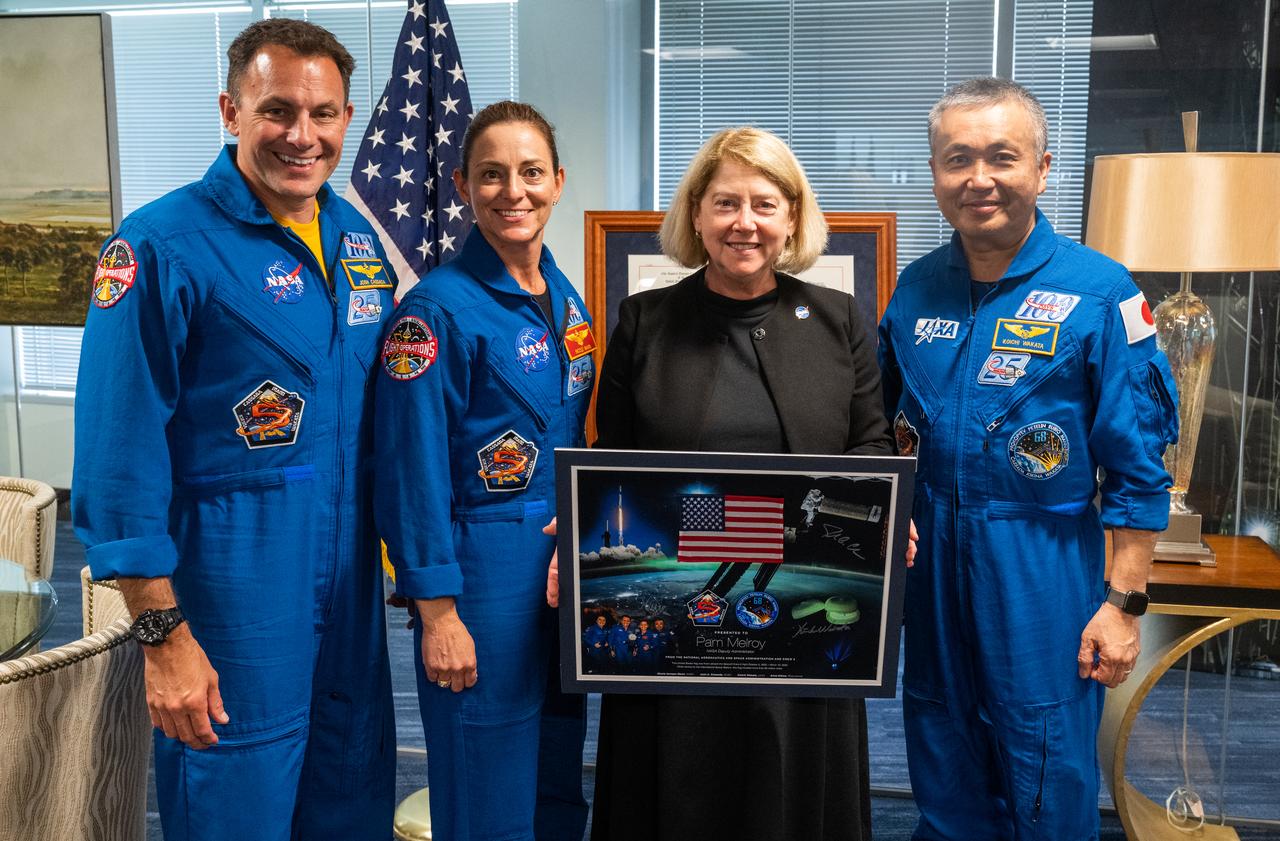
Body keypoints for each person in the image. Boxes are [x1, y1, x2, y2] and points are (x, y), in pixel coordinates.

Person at [71, 18, 395, 840]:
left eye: (322, 115)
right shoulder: (159, 248)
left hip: (351, 594)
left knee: (348, 796)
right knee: (234, 806)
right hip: (234, 592)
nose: (301, 135)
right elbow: (116, 463)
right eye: (276, 110)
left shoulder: (360, 245)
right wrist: (161, 636)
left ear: (347, 120)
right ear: (230, 109)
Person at [877, 77, 1179, 840]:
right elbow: (874, 434)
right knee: (940, 749)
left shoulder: (1099, 294)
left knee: (1046, 765)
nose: (979, 178)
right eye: (957, 159)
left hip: (1041, 563)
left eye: (1001, 157)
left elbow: (1139, 467)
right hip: (932, 563)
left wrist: (1123, 605)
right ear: (936, 173)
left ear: (1043, 169)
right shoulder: (914, 291)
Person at [590, 126, 894, 841]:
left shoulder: (839, 319)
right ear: (696, 213)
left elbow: (871, 443)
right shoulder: (645, 319)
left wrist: (887, 512)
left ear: (792, 215)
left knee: (789, 790)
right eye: (725, 202)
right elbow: (615, 458)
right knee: (676, 788)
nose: (744, 222)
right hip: (679, 631)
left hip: (802, 625)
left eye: (764, 203)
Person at [374, 100, 590, 841]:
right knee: (488, 779)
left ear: (558, 181)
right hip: (481, 573)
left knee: (558, 775)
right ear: (464, 185)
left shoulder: (564, 296)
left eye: (531, 172)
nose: (513, 191)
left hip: (564, 568)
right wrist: (437, 613)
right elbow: (412, 471)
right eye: (492, 175)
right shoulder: (435, 313)